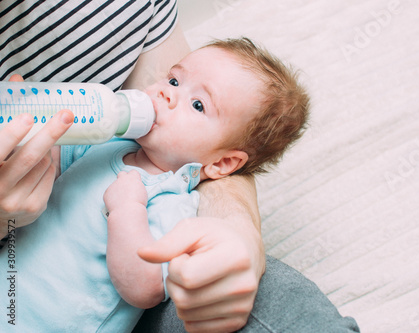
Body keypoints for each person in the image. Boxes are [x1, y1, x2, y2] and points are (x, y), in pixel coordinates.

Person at [0, 1, 360, 332]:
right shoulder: (104, 143)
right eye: (173, 79)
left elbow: (144, 288)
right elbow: (52, 163)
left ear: (222, 163)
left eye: (198, 105)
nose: (167, 93)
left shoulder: (172, 203)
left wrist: (127, 210)